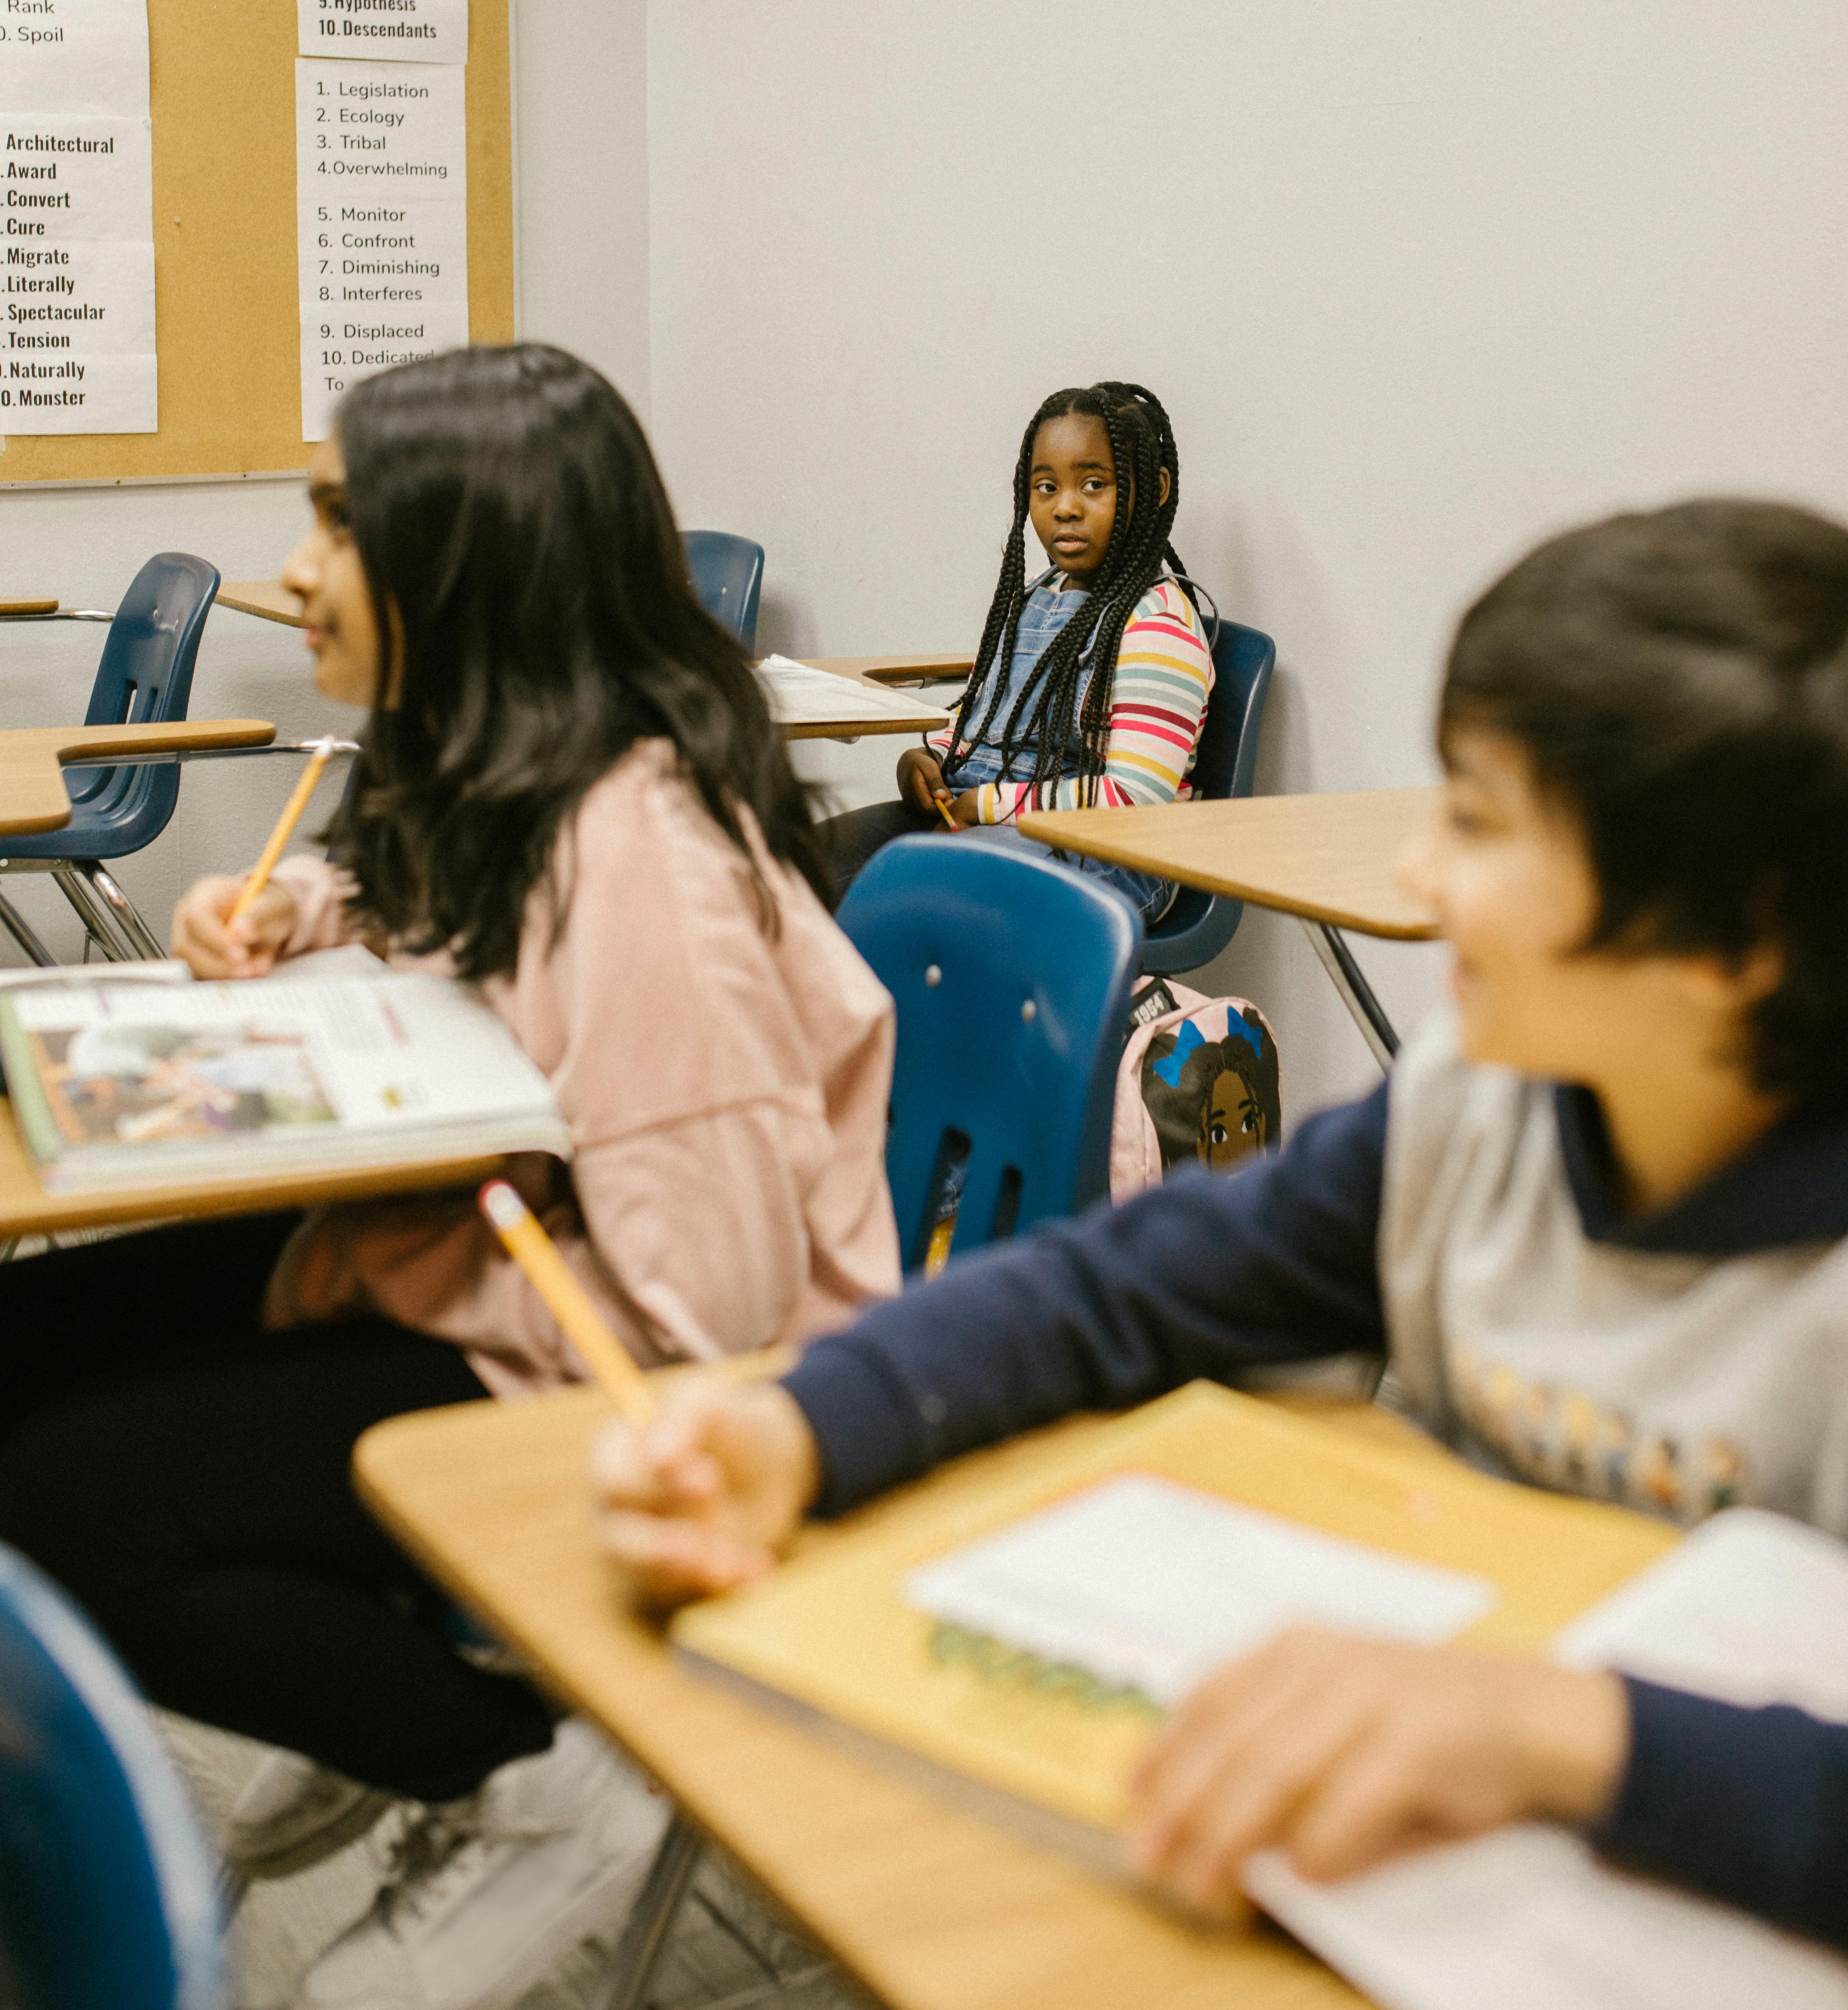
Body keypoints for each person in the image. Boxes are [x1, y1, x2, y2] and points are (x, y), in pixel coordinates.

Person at [597, 498, 1848, 1954]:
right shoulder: (1476, 1115)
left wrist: (1570, 1732)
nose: (1423, 879)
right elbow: (1124, 1289)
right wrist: (806, 1427)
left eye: (1484, 828)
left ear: (1741, 938)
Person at [0, 344, 899, 2010]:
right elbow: (435, 915)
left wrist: (384, 1210)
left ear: (467, 558)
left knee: (70, 1496)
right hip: (463, 1260)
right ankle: (388, 1689)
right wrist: (302, 916)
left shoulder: (642, 857)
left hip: (616, 1379)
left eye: (341, 521)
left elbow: (707, 1312)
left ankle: (527, 1763)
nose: (295, 564)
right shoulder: (510, 775)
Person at [821, 380, 1214, 921]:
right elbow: (986, 714)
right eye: (1046, 487)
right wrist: (931, 758)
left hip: (1110, 850)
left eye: (1094, 484)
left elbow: (1131, 800)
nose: (1065, 508)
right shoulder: (1032, 596)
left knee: (927, 893)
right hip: (982, 816)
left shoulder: (1158, 625)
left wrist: (985, 807)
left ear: (1155, 487)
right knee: (795, 861)